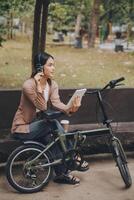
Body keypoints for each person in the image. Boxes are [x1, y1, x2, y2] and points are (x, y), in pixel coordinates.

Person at [11, 52, 89, 185]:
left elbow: (57, 103)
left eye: (54, 65)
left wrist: (71, 108)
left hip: (38, 128)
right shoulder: (28, 86)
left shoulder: (52, 85)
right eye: (50, 65)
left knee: (53, 140)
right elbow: (41, 106)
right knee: (52, 124)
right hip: (22, 128)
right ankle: (73, 156)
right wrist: (39, 86)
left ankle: (62, 174)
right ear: (40, 68)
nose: (53, 68)